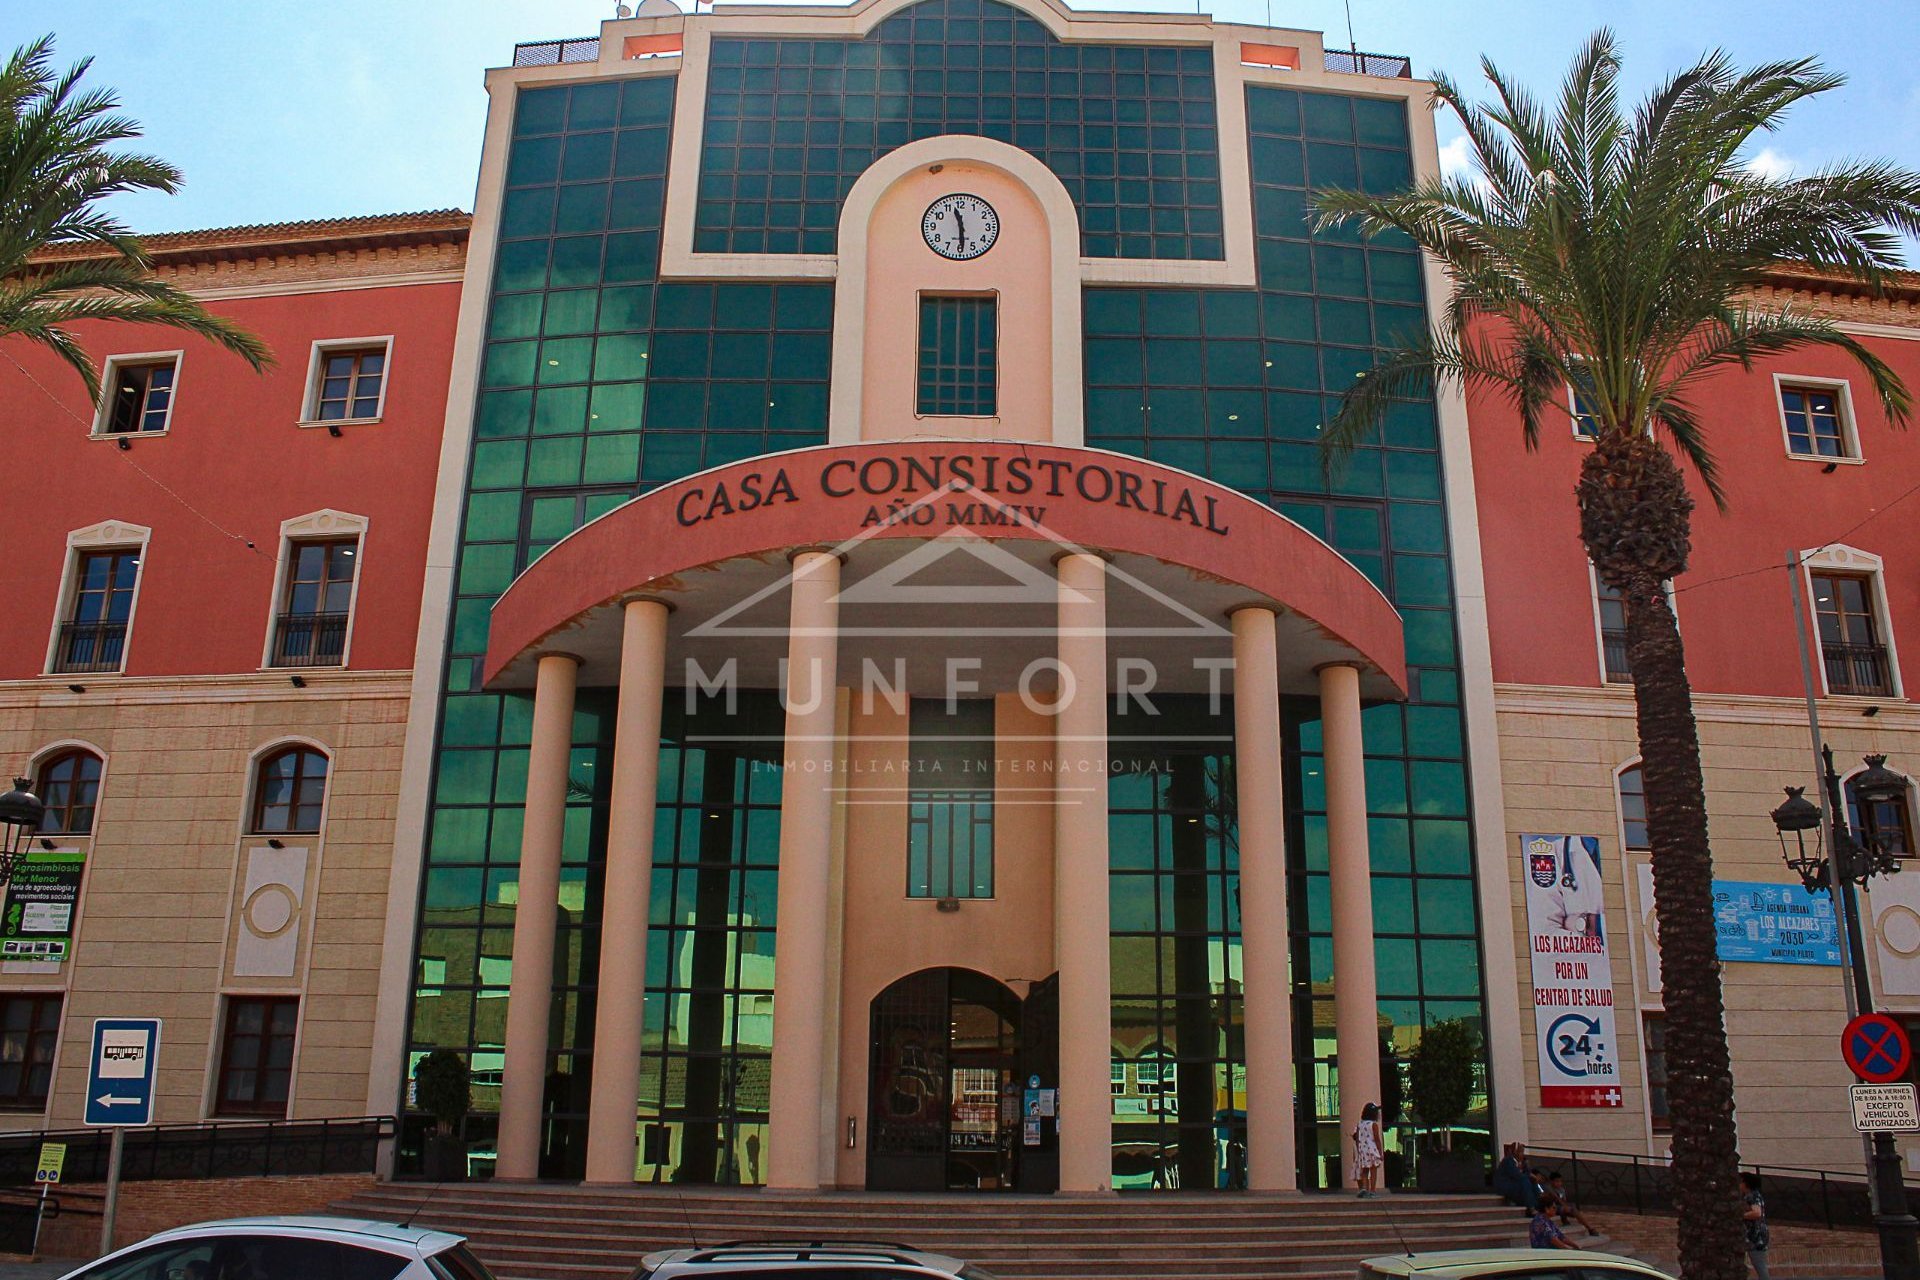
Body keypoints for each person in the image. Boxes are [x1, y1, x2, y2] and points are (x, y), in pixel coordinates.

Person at [1493, 1142, 1540, 1211]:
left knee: (1532, 1182)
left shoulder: (1522, 1162)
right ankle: (1531, 1207)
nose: (1522, 1154)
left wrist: (1529, 1171)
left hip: (1515, 1184)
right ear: (1514, 1152)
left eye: (1522, 1152)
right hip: (1505, 1185)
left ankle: (1539, 1204)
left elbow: (1527, 1173)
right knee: (1525, 1180)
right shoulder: (1508, 1160)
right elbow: (1516, 1175)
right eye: (1520, 1151)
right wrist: (1528, 1175)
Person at [1352, 1101, 1385, 1197]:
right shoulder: (1373, 1125)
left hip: (1363, 1150)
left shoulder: (1360, 1124)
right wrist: (1380, 1152)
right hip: (1372, 1150)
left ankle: (1364, 1189)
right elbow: (1377, 1139)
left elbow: (1357, 1138)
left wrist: (1359, 1150)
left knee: (1365, 1171)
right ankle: (1373, 1190)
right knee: (1373, 1170)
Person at [1742, 1172, 1771, 1280]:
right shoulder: (1751, 1195)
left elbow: (1757, 1213)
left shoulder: (1752, 1195)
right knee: (1759, 1264)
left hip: (1756, 1237)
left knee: (1759, 1265)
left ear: (1746, 1183)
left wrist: (1740, 1216)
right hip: (1754, 1235)